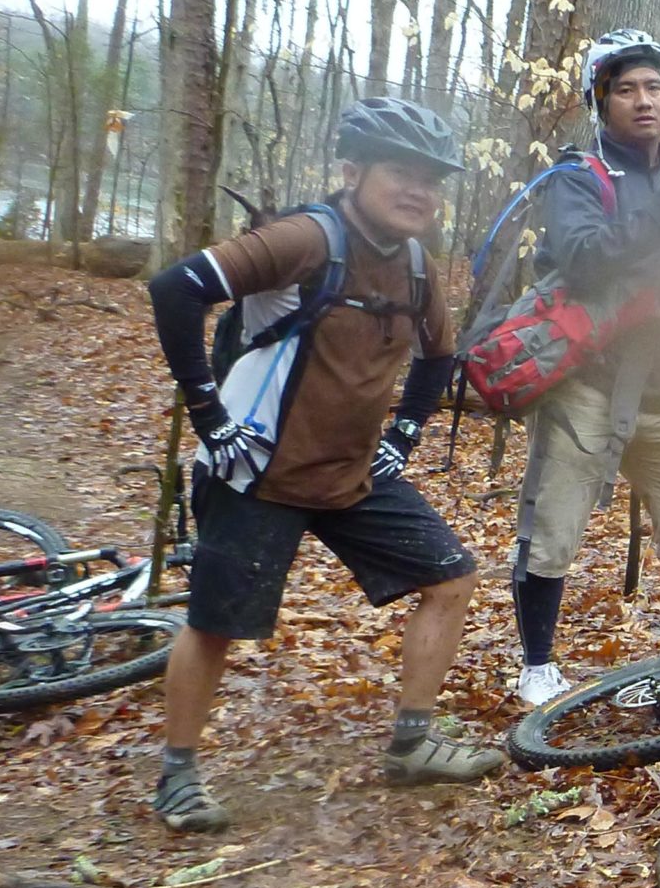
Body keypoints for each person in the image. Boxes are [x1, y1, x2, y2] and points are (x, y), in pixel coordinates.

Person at [143, 98, 504, 832]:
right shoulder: (306, 238)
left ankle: (412, 743)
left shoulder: (414, 265)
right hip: (257, 473)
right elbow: (176, 289)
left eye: (432, 181)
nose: (419, 191)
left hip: (351, 475)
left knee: (451, 576)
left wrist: (405, 432)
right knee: (215, 623)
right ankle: (177, 776)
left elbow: (440, 356)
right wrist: (210, 418)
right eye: (401, 172)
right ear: (351, 171)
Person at [509, 28, 660, 708]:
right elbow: (584, 258)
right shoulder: (576, 176)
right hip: (587, 380)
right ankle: (536, 665)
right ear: (601, 100)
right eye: (626, 89)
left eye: (654, 87)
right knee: (554, 522)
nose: (643, 101)